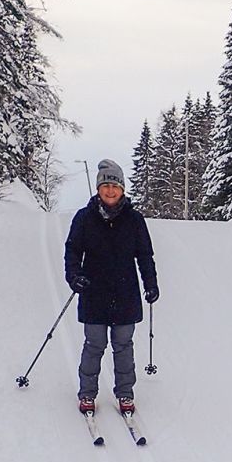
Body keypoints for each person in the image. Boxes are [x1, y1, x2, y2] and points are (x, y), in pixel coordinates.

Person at [64, 159, 158, 414]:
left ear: (122, 189)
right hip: (94, 291)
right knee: (94, 345)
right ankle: (87, 393)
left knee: (123, 345)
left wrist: (151, 284)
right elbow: (72, 250)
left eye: (114, 185)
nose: (110, 190)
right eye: (105, 185)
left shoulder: (135, 219)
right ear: (98, 188)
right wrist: (74, 277)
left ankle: (125, 393)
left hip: (126, 292)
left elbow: (145, 255)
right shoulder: (84, 218)